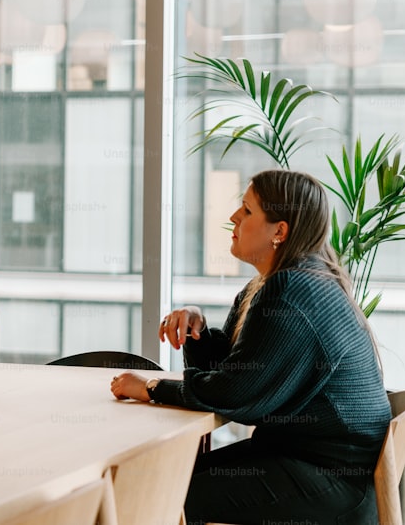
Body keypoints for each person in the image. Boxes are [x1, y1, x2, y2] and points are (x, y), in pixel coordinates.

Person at [109, 169, 390, 525]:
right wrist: (198, 331)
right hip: (307, 464)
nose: (233, 218)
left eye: (246, 210)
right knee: (158, 482)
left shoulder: (292, 289)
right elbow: (236, 371)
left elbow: (234, 394)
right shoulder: (278, 283)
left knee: (151, 493)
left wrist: (152, 388)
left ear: (280, 231)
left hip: (330, 483)